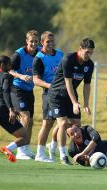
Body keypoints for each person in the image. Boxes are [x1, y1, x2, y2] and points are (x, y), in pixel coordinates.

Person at [47, 38, 95, 165]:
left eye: (91, 53)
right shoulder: (68, 59)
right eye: (87, 52)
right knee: (63, 123)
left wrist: (85, 104)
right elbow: (68, 83)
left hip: (71, 95)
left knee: (76, 125)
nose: (88, 55)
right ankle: (63, 156)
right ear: (80, 49)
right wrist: (75, 103)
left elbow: (87, 85)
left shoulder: (89, 65)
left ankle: (52, 145)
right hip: (56, 94)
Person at [0, 56, 29, 162]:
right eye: (9, 65)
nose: (11, 67)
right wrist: (11, 109)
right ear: (2, 65)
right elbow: (6, 92)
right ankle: (8, 148)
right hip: (1, 111)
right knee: (24, 137)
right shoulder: (7, 76)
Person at [9, 30, 40, 160]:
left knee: (31, 121)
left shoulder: (40, 52)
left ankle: (26, 148)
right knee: (25, 117)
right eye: (31, 41)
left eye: (36, 41)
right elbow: (9, 70)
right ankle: (20, 150)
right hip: (17, 88)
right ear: (26, 41)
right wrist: (21, 76)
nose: (33, 44)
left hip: (29, 90)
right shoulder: (19, 54)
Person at [33, 31, 63, 163]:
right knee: (48, 123)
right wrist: (50, 86)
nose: (50, 44)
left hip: (63, 93)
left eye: (52, 41)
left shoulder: (60, 54)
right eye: (47, 42)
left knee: (66, 122)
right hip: (49, 94)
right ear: (42, 43)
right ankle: (40, 153)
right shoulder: (39, 58)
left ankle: (53, 144)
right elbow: (36, 80)